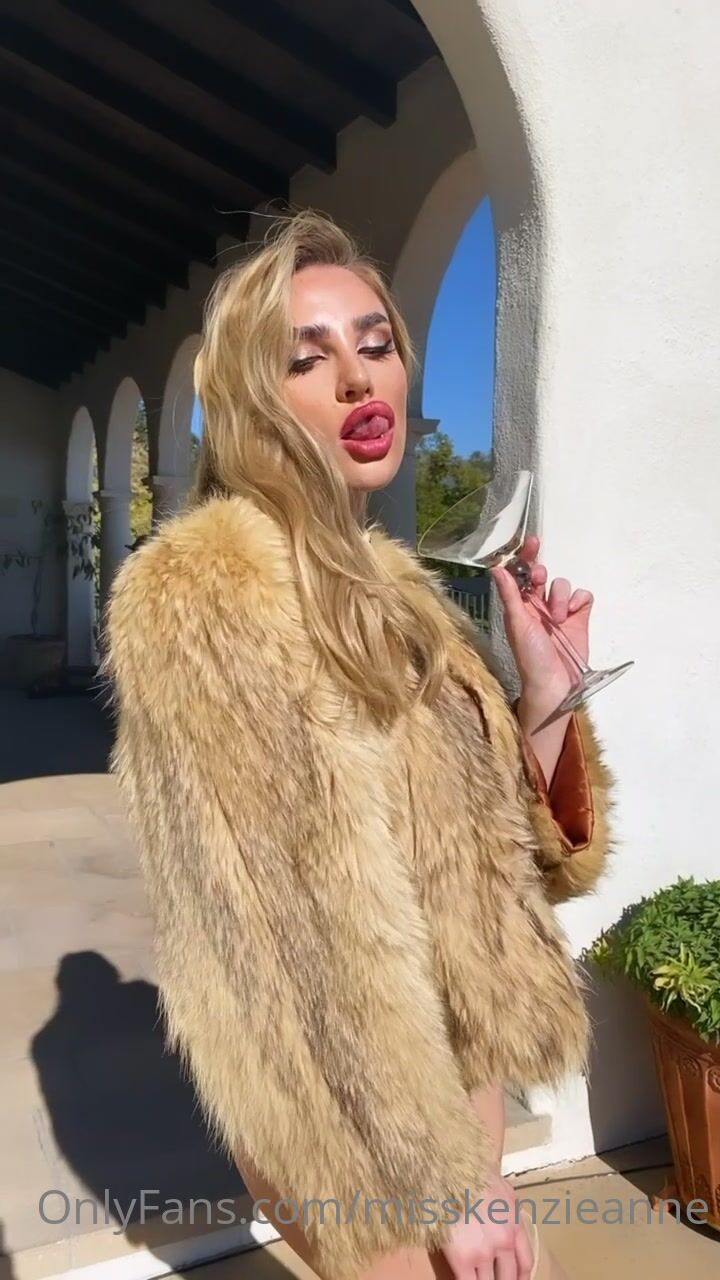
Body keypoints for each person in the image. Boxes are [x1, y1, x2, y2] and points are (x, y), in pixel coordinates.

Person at [103, 211, 615, 1280]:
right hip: (350, 1108)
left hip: (452, 1071)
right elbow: (298, 929)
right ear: (253, 397)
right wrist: (449, 1184)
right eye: (308, 357)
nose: (356, 379)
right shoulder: (206, 595)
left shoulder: (395, 592)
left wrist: (545, 699)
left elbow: (509, 861)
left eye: (375, 344)